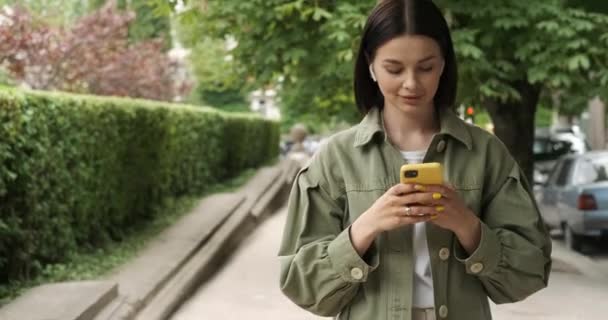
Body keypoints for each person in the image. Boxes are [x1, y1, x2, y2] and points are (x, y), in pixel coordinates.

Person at [278, 0, 552, 319]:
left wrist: (466, 225)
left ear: (444, 64)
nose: (411, 83)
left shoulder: (485, 153)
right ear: (370, 65)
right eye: (394, 69)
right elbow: (301, 284)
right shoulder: (335, 158)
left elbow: (530, 271)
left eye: (426, 67)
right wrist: (366, 227)